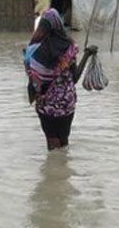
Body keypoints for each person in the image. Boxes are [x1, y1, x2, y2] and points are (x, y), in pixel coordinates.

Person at [24, 9, 96, 151]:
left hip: (46, 105)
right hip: (66, 104)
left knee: (52, 144)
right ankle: (64, 164)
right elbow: (74, 78)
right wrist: (87, 54)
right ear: (59, 25)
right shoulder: (69, 47)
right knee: (64, 140)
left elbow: (33, 80)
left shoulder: (33, 51)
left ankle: (54, 165)